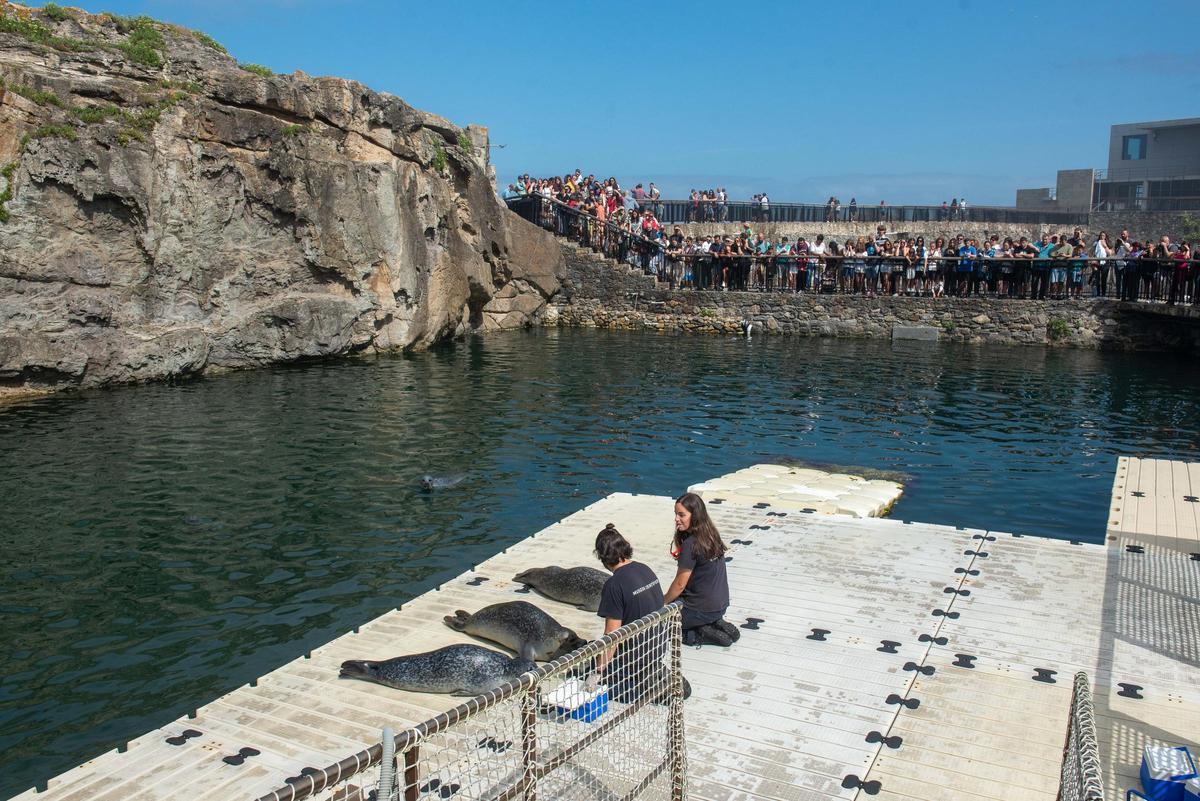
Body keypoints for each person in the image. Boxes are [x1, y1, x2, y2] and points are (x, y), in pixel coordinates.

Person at [591, 523, 691, 702]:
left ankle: (646, 690)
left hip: (634, 658)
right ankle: (655, 677)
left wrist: (597, 672)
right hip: (657, 647)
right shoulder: (644, 568)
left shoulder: (614, 585)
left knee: (590, 667)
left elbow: (612, 636)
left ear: (602, 557)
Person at [664, 493, 739, 647]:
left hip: (700, 609)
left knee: (661, 624)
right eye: (676, 514)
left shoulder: (690, 544)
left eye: (682, 515)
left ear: (695, 516)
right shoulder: (711, 535)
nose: (676, 519)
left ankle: (697, 634)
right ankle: (713, 622)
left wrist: (662, 603)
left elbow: (680, 584)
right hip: (720, 605)